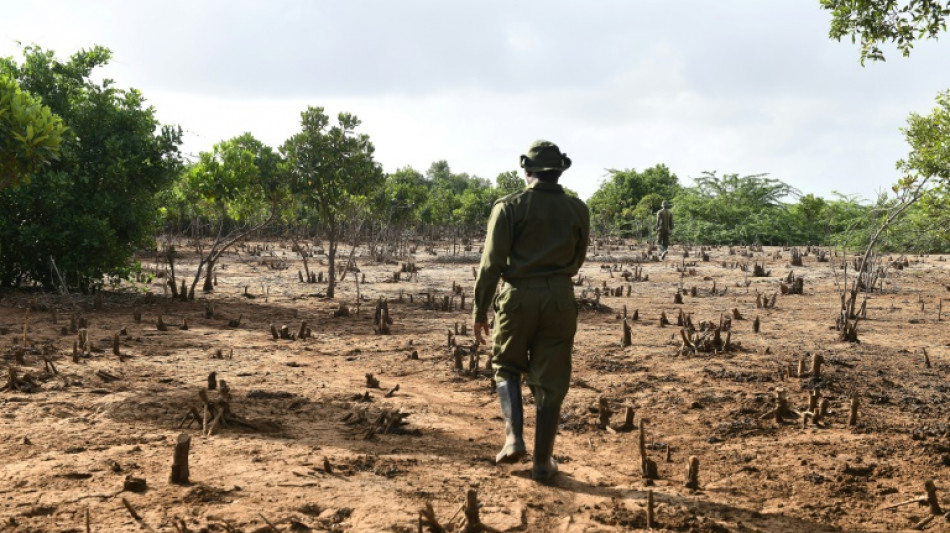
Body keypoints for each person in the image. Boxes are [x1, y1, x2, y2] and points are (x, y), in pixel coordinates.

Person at [473, 140, 590, 482]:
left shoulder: (508, 207)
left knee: (506, 364)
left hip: (517, 295)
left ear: (527, 171)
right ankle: (542, 463)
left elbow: (491, 264)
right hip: (560, 297)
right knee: (551, 379)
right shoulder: (578, 208)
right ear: (559, 172)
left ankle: (513, 438)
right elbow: (579, 258)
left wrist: (480, 310)